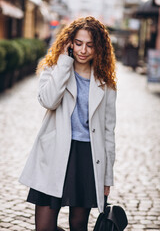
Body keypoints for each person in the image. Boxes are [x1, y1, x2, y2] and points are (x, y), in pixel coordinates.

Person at [19, 16, 117, 231]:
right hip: (54, 153)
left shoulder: (105, 82)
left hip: (87, 157)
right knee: (44, 227)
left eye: (90, 45)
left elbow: (108, 132)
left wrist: (107, 177)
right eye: (78, 43)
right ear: (69, 43)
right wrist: (64, 63)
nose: (83, 50)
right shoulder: (55, 69)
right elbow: (48, 101)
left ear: (98, 48)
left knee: (79, 225)